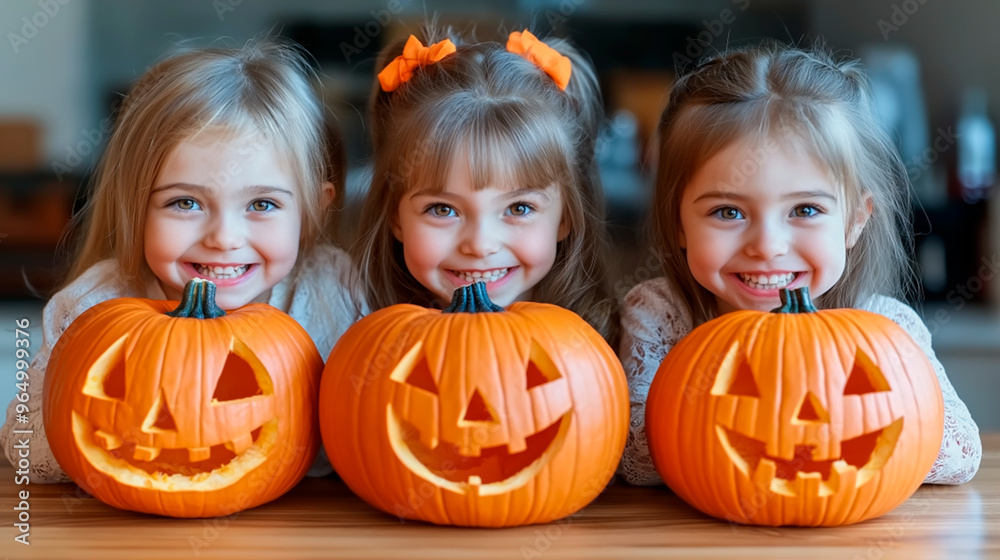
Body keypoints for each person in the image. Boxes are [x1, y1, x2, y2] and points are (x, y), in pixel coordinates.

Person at [1, 39, 364, 482]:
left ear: (313, 211)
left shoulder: (337, 291)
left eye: (263, 204)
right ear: (134, 207)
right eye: (186, 203)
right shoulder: (93, 306)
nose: (224, 239)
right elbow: (31, 453)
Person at [619, 42, 981, 485]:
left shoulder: (886, 326)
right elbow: (633, 456)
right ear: (679, 224)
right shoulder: (660, 313)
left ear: (853, 222)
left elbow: (961, 455)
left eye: (805, 210)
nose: (768, 246)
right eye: (728, 212)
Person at [351, 27, 618, 345]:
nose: (479, 245)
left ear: (565, 218)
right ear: (396, 216)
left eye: (519, 208)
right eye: (443, 209)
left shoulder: (592, 349)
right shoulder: (366, 337)